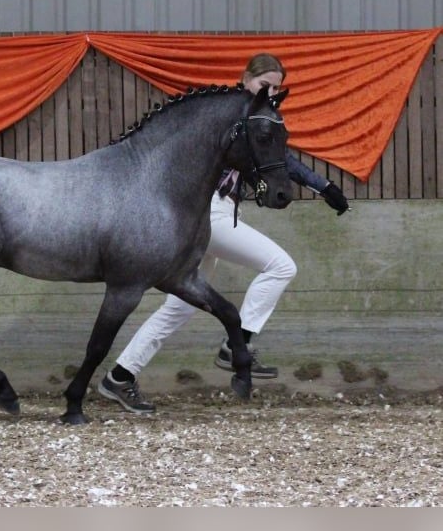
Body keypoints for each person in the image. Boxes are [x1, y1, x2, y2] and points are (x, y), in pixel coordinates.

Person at [98, 52, 350, 414]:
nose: (271, 91)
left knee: (178, 310)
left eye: (277, 87)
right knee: (281, 266)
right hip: (207, 214)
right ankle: (238, 344)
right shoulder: (227, 113)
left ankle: (120, 376)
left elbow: (280, 161)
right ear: (246, 78)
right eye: (265, 84)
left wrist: (323, 186)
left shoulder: (253, 116)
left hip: (218, 213)